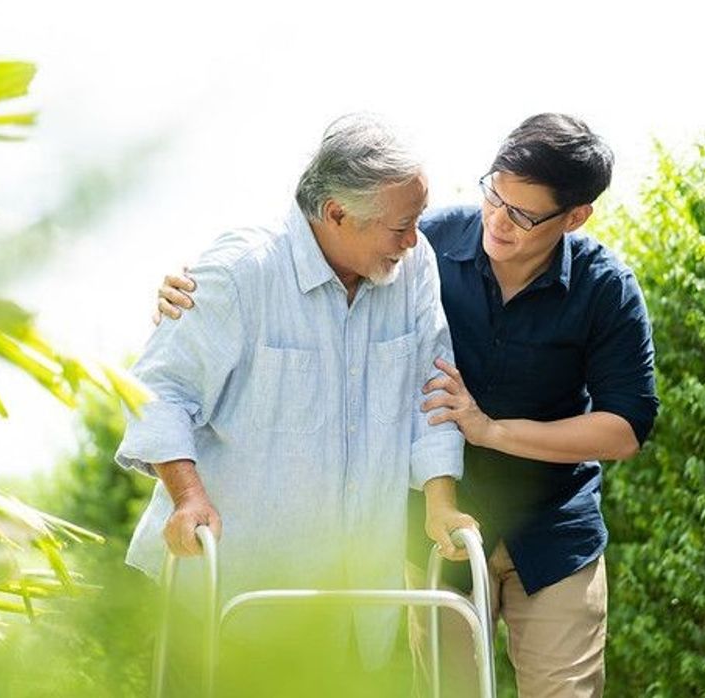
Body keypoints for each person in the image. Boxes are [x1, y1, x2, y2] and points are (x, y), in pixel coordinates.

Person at [156, 113, 659, 698]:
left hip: (551, 529)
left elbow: (625, 428)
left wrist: (491, 431)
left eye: (522, 214)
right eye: (493, 194)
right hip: (438, 536)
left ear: (574, 217)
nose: (498, 219)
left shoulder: (605, 288)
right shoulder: (424, 246)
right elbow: (315, 260)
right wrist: (194, 298)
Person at [117, 113, 478, 696]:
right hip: (236, 595)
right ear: (336, 213)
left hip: (361, 603)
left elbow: (430, 391)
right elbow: (158, 392)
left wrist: (440, 503)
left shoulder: (414, 268)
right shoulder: (238, 272)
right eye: (400, 227)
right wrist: (188, 499)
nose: (414, 240)